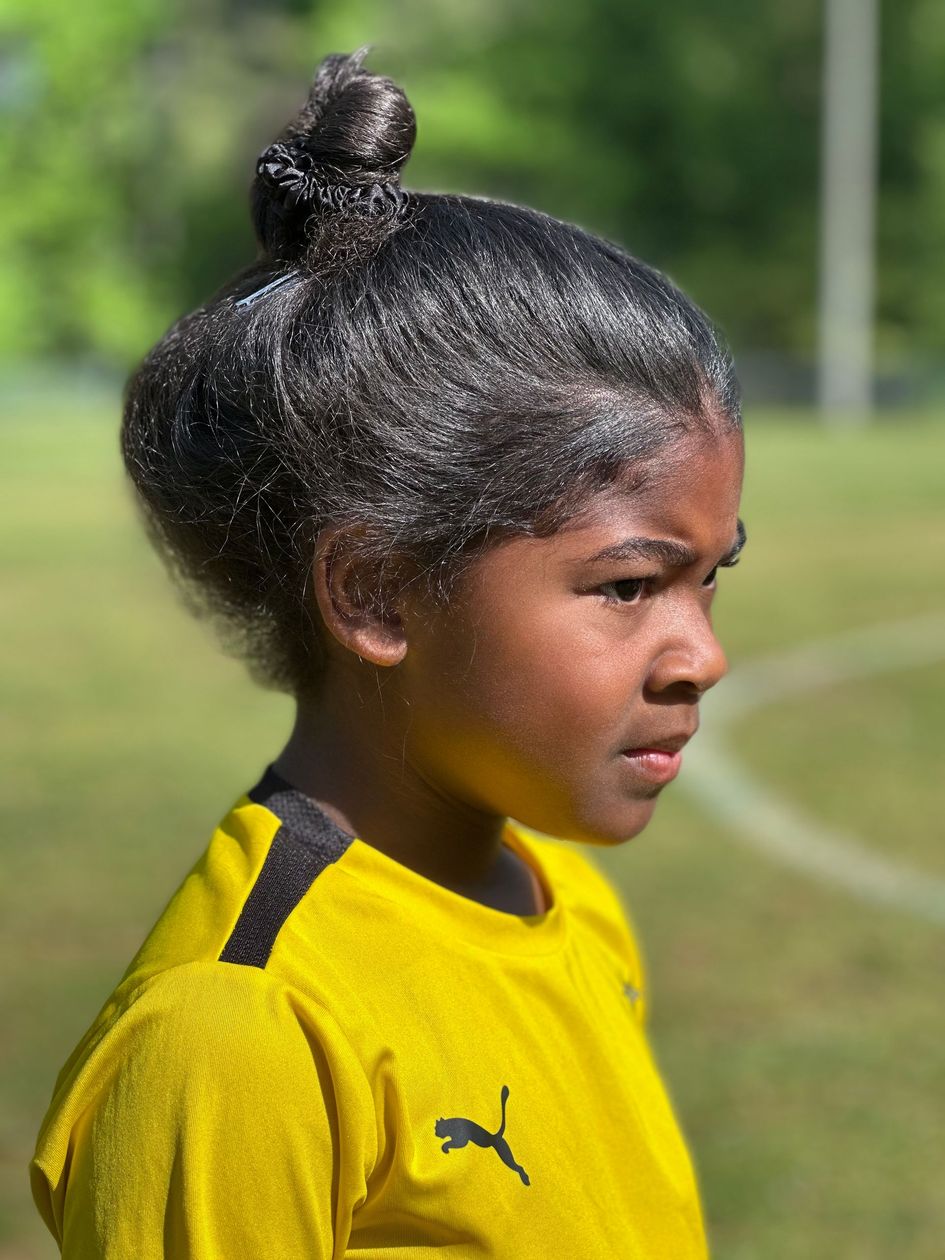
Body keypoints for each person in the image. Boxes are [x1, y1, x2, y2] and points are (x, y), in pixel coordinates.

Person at [30, 45, 746, 1259]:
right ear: (376, 594)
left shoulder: (563, 899)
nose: (702, 658)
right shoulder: (242, 1038)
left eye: (709, 579)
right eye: (629, 585)